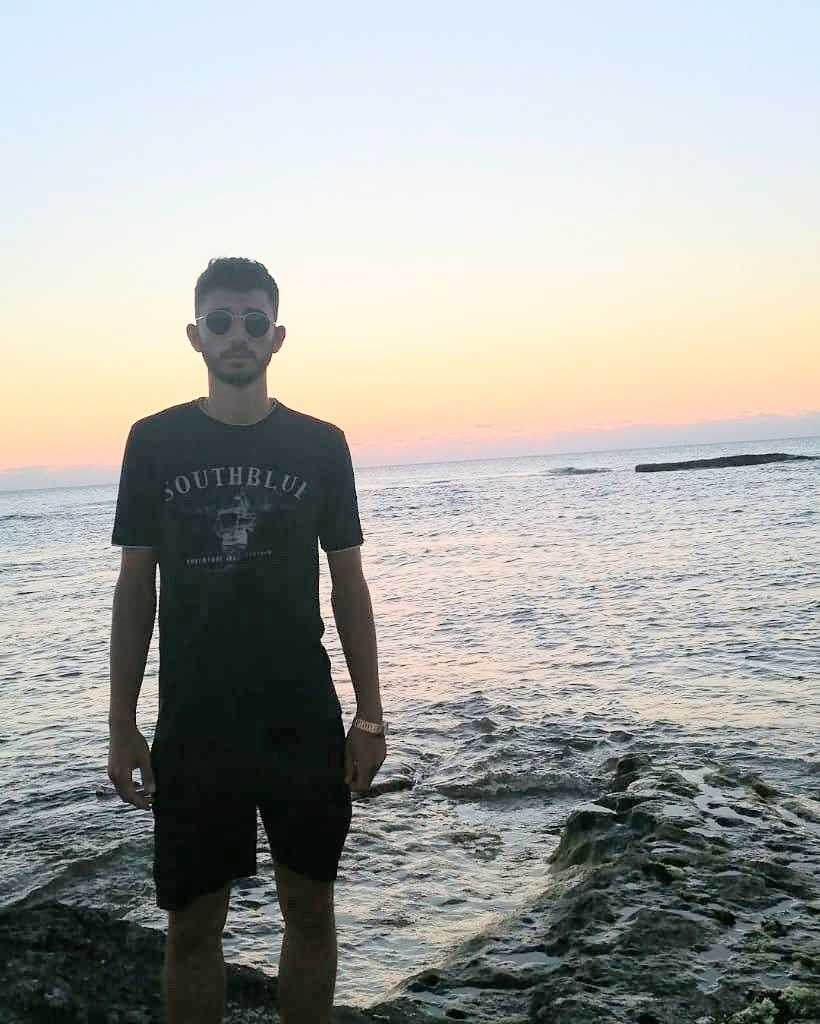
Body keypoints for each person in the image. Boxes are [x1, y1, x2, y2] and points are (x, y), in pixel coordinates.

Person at [107, 256, 387, 1024]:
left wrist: (369, 716)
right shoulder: (154, 442)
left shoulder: (320, 445)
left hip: (301, 718)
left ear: (277, 337)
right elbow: (135, 588)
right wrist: (122, 722)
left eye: (254, 322)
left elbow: (350, 583)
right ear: (196, 335)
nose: (239, 335)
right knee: (193, 927)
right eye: (222, 321)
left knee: (311, 910)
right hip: (195, 724)